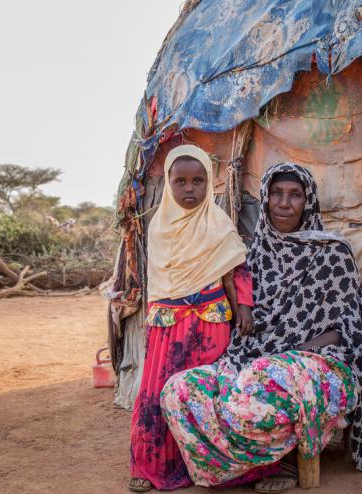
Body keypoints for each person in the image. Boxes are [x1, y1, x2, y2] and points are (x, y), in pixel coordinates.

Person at [160, 162, 362, 492]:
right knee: (180, 389)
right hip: (254, 363)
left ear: (309, 201)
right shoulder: (252, 256)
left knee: (263, 381)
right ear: (264, 199)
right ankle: (239, 469)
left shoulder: (333, 252)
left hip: (320, 364)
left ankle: (282, 462)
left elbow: (350, 330)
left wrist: (303, 350)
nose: (284, 203)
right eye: (275, 193)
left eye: (294, 195)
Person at [129, 144, 253, 492]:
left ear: (209, 183)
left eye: (198, 181)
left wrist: (243, 306)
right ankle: (150, 466)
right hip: (168, 326)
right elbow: (158, 282)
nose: (189, 189)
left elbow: (236, 271)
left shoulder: (219, 224)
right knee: (157, 392)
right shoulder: (159, 229)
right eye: (180, 181)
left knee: (210, 394)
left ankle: (220, 467)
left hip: (211, 324)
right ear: (168, 183)